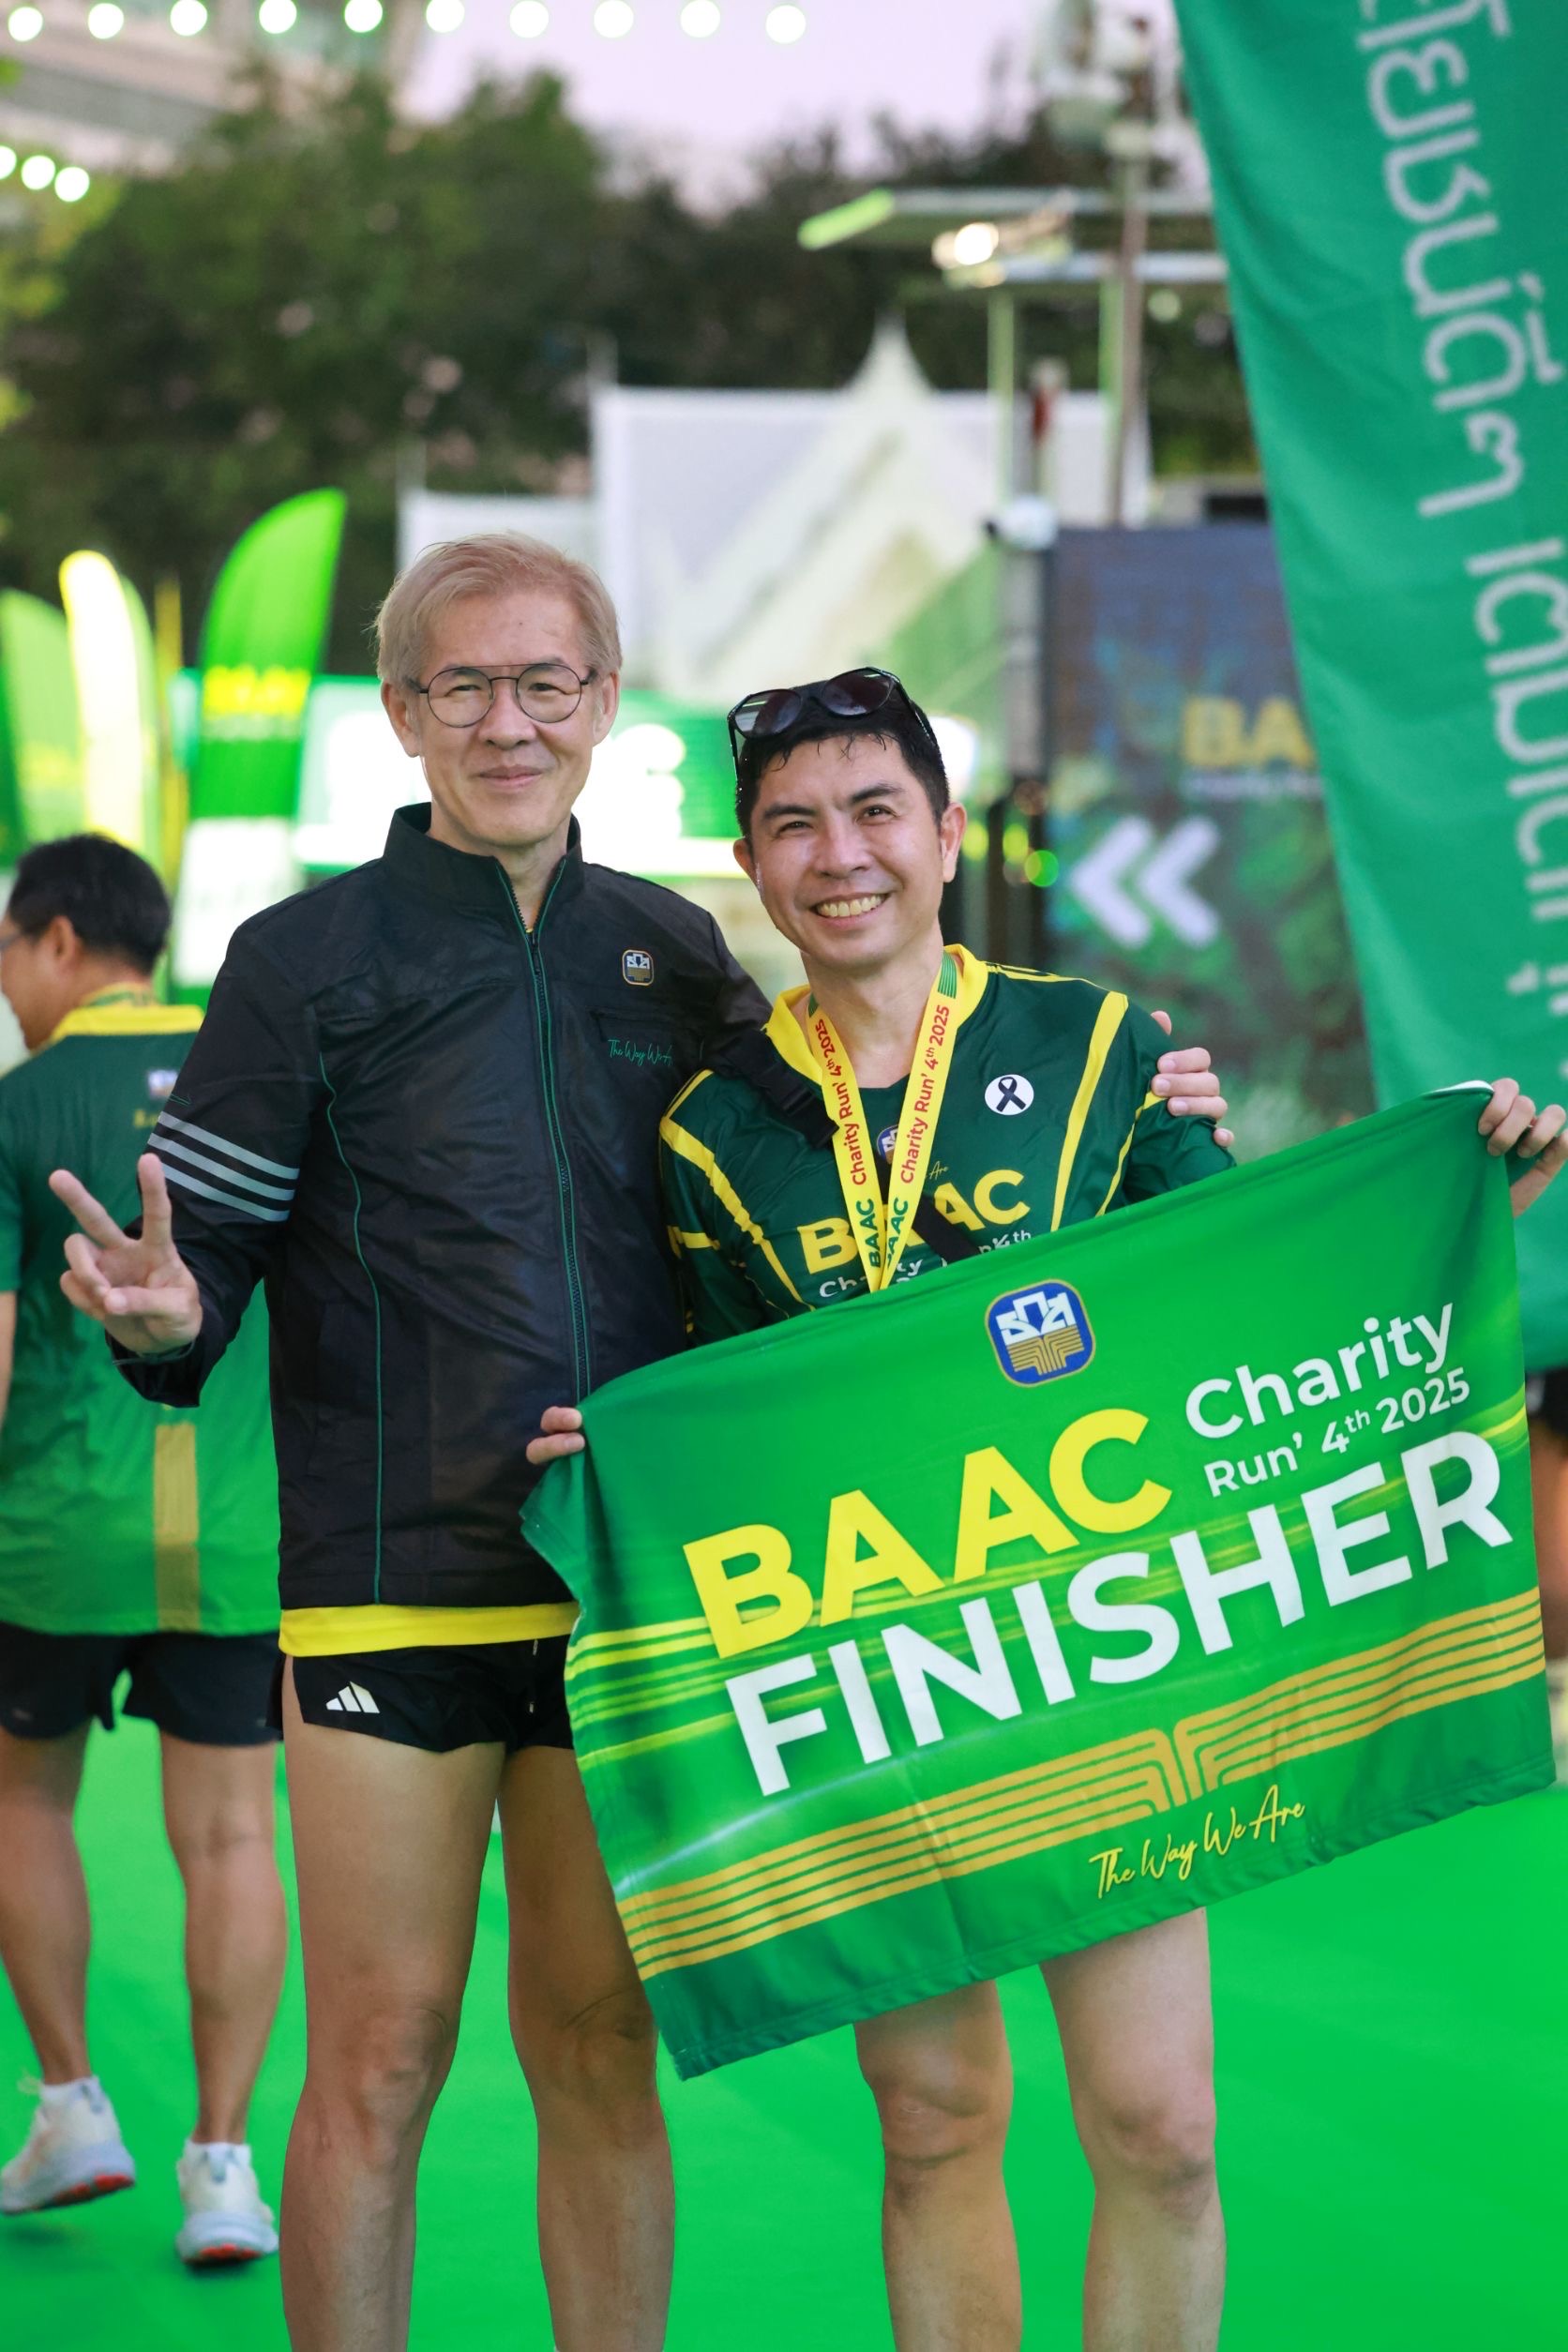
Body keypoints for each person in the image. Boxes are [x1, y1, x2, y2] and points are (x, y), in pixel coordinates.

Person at [531, 666, 1568, 2352]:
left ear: (948, 834)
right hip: (886, 1686)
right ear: (754, 861)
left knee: (1161, 2129)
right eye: (794, 825)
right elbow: (726, 1410)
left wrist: (1453, 1200)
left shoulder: (1099, 1045)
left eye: (876, 811)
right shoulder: (713, 1133)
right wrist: (625, 1448)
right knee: (937, 2123)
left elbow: (1249, 1291)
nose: (840, 855)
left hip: (1095, 1662)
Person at [0, 836, 284, 2267]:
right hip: (238, 1535)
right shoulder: (261, 1082)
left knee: (22, 1802)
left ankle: (71, 2109)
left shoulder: (20, 1103)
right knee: (232, 1837)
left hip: (52, 1535)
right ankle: (223, 2167)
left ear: (57, 939)